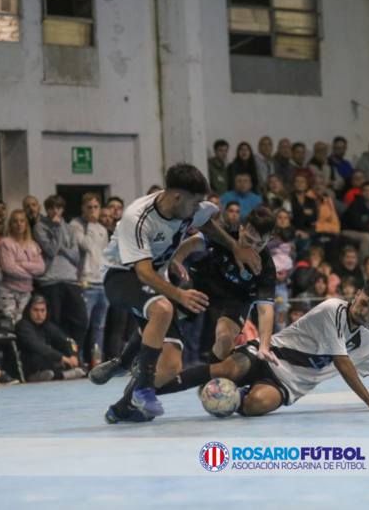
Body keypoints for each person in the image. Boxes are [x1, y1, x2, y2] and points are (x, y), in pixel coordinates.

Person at [98, 163, 260, 419]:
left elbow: (207, 223)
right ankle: (141, 387)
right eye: (194, 203)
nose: (197, 208)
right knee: (163, 308)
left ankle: (119, 409)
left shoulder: (188, 206)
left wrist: (235, 247)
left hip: (154, 281)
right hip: (121, 275)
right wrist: (179, 294)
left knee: (171, 367)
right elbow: (143, 272)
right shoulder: (137, 218)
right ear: (176, 197)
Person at [151, 280, 369, 418]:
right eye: (363, 303)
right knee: (226, 368)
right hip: (267, 356)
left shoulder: (363, 340)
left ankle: (231, 394)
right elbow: (342, 362)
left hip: (287, 385)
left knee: (255, 405)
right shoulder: (332, 309)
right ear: (357, 295)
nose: (364, 311)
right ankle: (149, 391)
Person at [33, 195, 88, 358]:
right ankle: (59, 357)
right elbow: (50, 250)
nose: (55, 211)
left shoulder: (69, 227)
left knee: (80, 320)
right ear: (46, 209)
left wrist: (61, 247)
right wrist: (57, 229)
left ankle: (75, 356)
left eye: (59, 208)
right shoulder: (40, 227)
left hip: (70, 279)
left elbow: (76, 256)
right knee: (55, 321)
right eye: (52, 208)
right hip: (51, 280)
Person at [70, 193, 111, 363]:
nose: (92, 211)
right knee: (82, 325)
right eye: (89, 207)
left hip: (101, 283)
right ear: (82, 208)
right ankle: (78, 361)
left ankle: (96, 362)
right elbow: (85, 246)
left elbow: (105, 256)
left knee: (99, 326)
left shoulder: (102, 229)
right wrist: (92, 224)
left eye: (95, 207)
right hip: (85, 282)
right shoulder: (75, 225)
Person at [15, 295, 86, 382]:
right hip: (29, 363)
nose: (39, 314)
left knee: (65, 355)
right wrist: (61, 358)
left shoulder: (48, 326)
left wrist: (73, 355)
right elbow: (38, 346)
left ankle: (56, 374)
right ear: (29, 310)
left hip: (47, 362)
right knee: (42, 355)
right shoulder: (22, 326)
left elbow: (68, 341)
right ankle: (58, 375)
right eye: (35, 310)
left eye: (42, 310)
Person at [0, 210, 46, 322]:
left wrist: (22, 264)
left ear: (26, 224)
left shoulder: (33, 245)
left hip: (26, 291)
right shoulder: (5, 243)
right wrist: (31, 275)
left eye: (22, 221)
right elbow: (9, 268)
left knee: (24, 322)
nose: (19, 224)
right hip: (8, 290)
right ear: (10, 225)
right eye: (15, 221)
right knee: (8, 322)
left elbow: (41, 268)